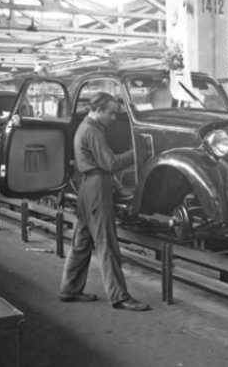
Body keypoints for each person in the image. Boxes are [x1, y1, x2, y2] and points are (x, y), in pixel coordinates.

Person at [59, 92, 148, 311]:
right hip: (97, 190)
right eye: (111, 113)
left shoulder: (86, 127)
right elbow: (109, 163)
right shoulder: (92, 131)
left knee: (81, 243)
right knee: (107, 244)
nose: (113, 117)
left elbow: (100, 165)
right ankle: (120, 297)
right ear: (98, 110)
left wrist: (117, 185)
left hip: (87, 189)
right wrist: (136, 153)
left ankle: (69, 289)